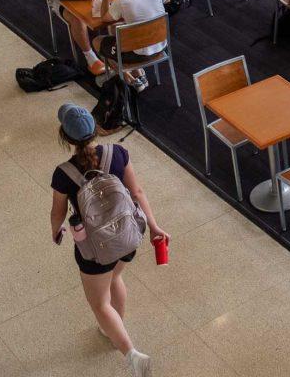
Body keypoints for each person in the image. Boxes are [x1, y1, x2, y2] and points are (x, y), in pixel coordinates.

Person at [50, 104, 166, 377]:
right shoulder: (118, 153)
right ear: (95, 128)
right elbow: (136, 192)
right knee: (115, 278)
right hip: (128, 237)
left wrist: (56, 231)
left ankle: (131, 353)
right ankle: (114, 327)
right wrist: (153, 225)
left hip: (94, 249)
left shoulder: (63, 173)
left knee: (100, 303)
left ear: (65, 137)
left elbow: (57, 212)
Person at [91, 0, 170, 92]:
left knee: (97, 42)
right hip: (161, 44)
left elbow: (104, 17)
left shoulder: (122, 2)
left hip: (139, 53)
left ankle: (129, 79)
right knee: (116, 27)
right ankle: (139, 74)